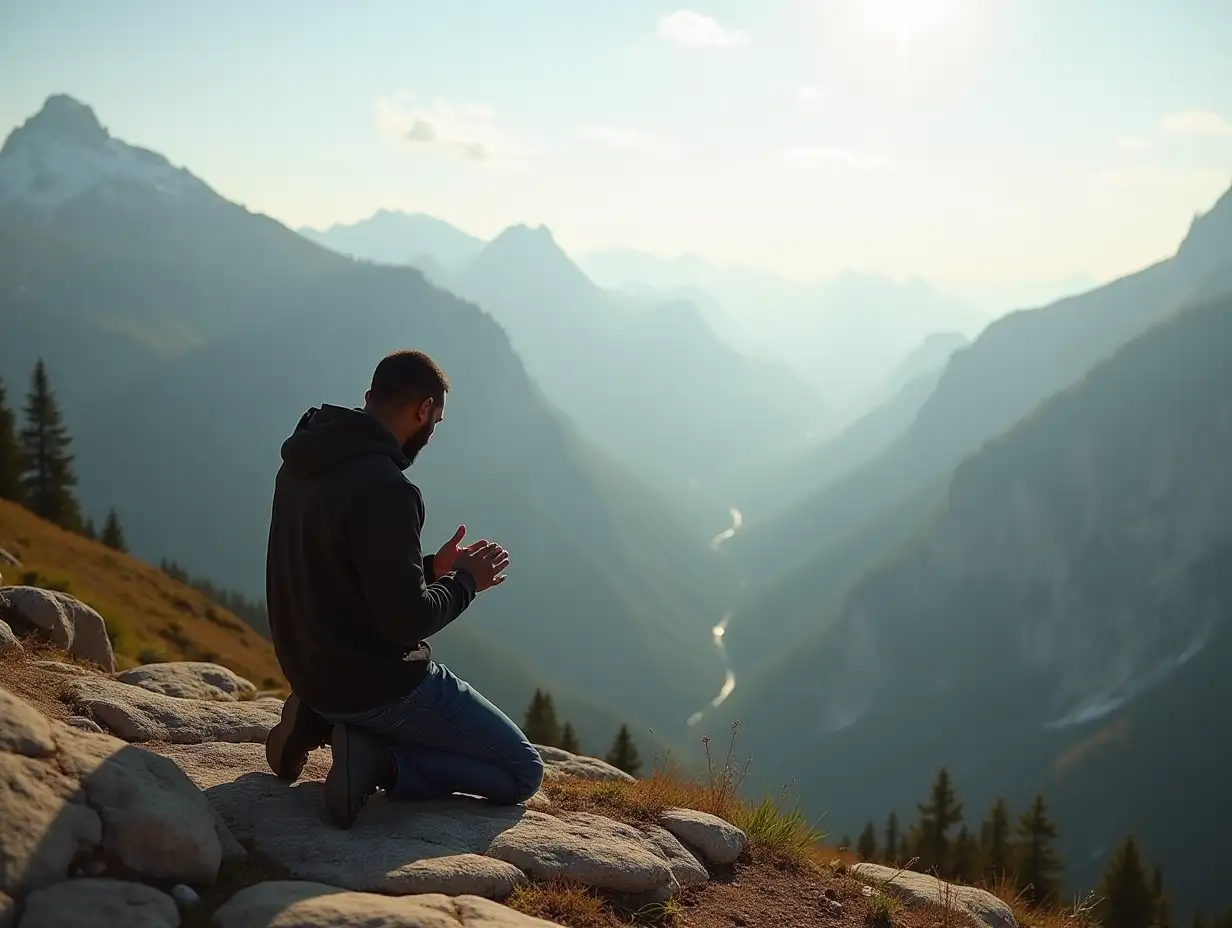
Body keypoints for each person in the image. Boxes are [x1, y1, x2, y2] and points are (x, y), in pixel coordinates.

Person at [262, 349, 545, 829]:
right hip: (375, 684)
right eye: (436, 419)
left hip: (309, 669)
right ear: (424, 411)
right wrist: (465, 581)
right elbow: (405, 623)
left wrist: (430, 567)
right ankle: (382, 763)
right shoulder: (387, 488)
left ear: (370, 397)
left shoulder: (303, 459)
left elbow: (340, 573)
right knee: (521, 772)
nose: (432, 432)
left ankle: (319, 720)